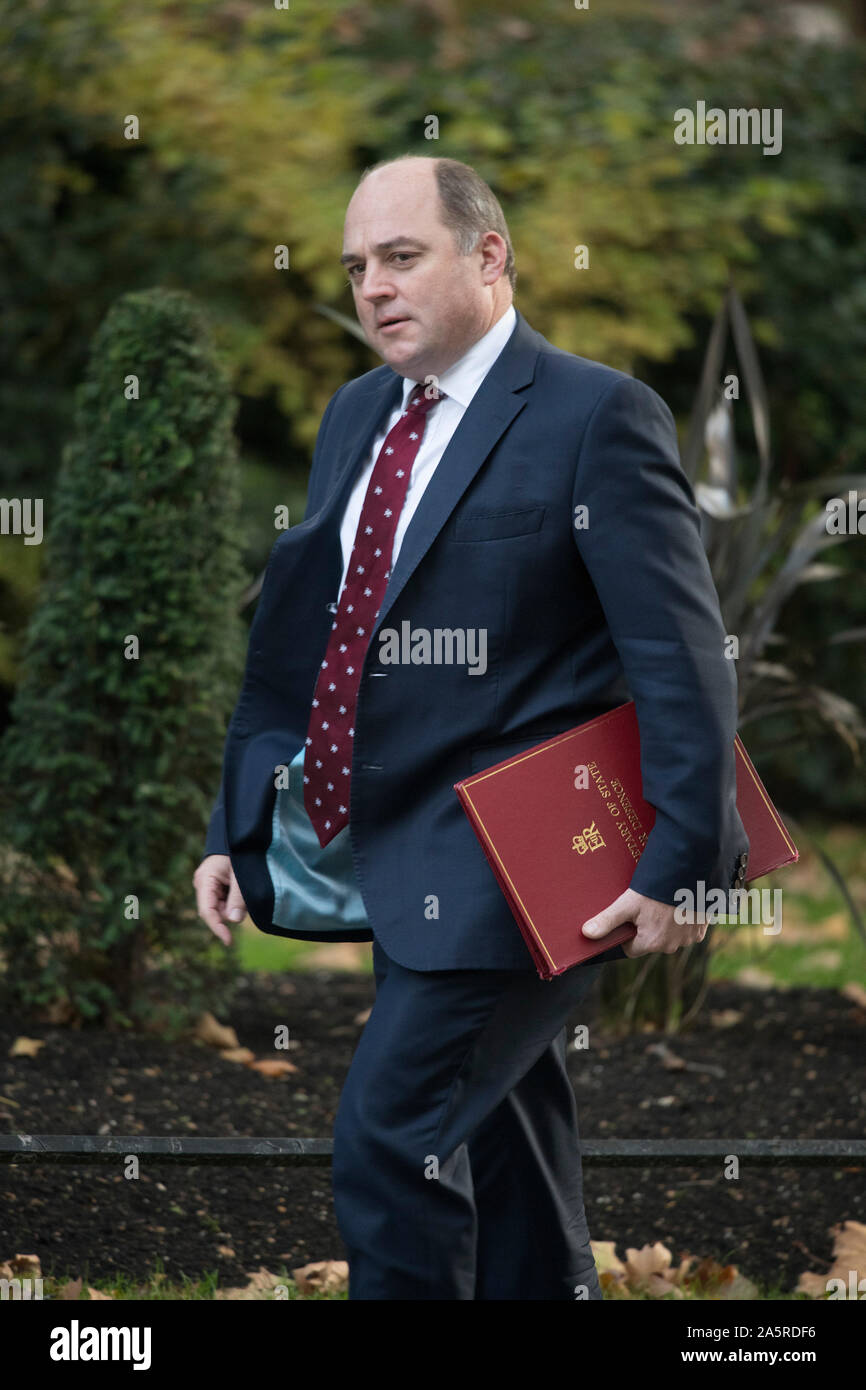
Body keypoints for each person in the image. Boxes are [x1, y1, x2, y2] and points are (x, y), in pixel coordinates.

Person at [193, 154, 749, 1300]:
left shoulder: (596, 414)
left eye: (403, 257)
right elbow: (302, 644)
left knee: (392, 1137)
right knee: (503, 1140)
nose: (373, 288)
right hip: (402, 847)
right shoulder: (356, 415)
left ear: (488, 256)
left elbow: (677, 653)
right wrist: (233, 822)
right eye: (356, 268)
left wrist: (687, 858)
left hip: (529, 867)